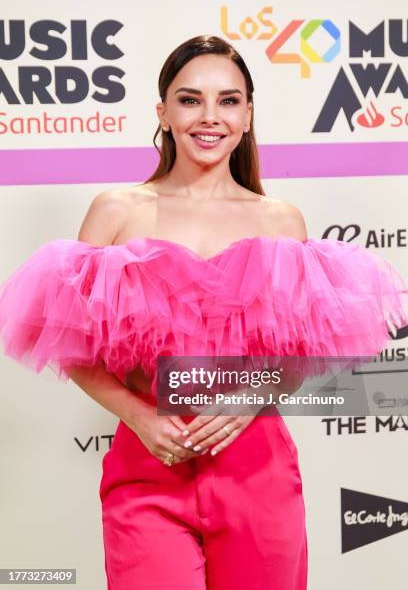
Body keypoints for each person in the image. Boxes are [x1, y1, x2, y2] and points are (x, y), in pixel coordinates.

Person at [0, 35, 407, 590]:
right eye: (190, 100)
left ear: (248, 115)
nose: (209, 117)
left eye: (228, 100)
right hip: (147, 473)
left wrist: (252, 396)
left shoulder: (280, 221)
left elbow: (299, 353)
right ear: (162, 113)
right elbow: (71, 347)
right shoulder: (117, 211)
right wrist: (138, 416)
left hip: (257, 471)